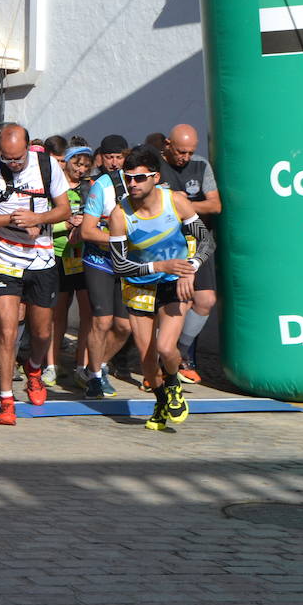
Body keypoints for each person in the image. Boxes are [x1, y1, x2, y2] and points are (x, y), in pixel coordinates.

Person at [0, 125, 72, 425]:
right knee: (6, 329)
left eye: (18, 158)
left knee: (41, 332)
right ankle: (6, 400)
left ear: (28, 148)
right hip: (4, 258)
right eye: (8, 158)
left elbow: (64, 209)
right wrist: (12, 219)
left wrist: (38, 218)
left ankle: (35, 369)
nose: (13, 164)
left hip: (41, 257)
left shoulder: (46, 166)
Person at [106, 145, 215, 430]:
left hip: (172, 285)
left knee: (167, 348)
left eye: (139, 178)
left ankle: (173, 384)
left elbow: (206, 242)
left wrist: (189, 268)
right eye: (128, 178)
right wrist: (158, 267)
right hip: (139, 287)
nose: (132, 184)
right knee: (147, 362)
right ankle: (160, 400)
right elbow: (119, 266)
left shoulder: (176, 202)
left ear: (155, 177)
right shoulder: (120, 214)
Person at [158, 124, 221, 383]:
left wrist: (185, 204)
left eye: (190, 152)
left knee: (205, 300)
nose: (185, 157)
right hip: (166, 245)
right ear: (168, 144)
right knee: (170, 306)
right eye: (181, 151)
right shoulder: (155, 167)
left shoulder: (200, 165)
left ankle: (181, 352)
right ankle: (156, 364)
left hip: (198, 241)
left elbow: (215, 205)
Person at [78, 135, 134, 398]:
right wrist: (118, 239)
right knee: (102, 321)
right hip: (99, 261)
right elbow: (88, 231)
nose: (114, 163)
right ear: (102, 158)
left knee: (124, 327)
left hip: (126, 264)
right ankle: (95, 378)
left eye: (119, 157)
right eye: (109, 157)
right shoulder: (99, 186)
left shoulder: (137, 182)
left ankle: (97, 365)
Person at [53, 143, 94, 390]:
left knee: (88, 312)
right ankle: (51, 364)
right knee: (57, 314)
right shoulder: (56, 188)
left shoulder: (90, 189)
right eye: (77, 165)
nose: (80, 170)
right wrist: (67, 225)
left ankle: (82, 365)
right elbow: (45, 222)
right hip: (59, 253)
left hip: (84, 257)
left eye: (86, 166)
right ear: (67, 163)